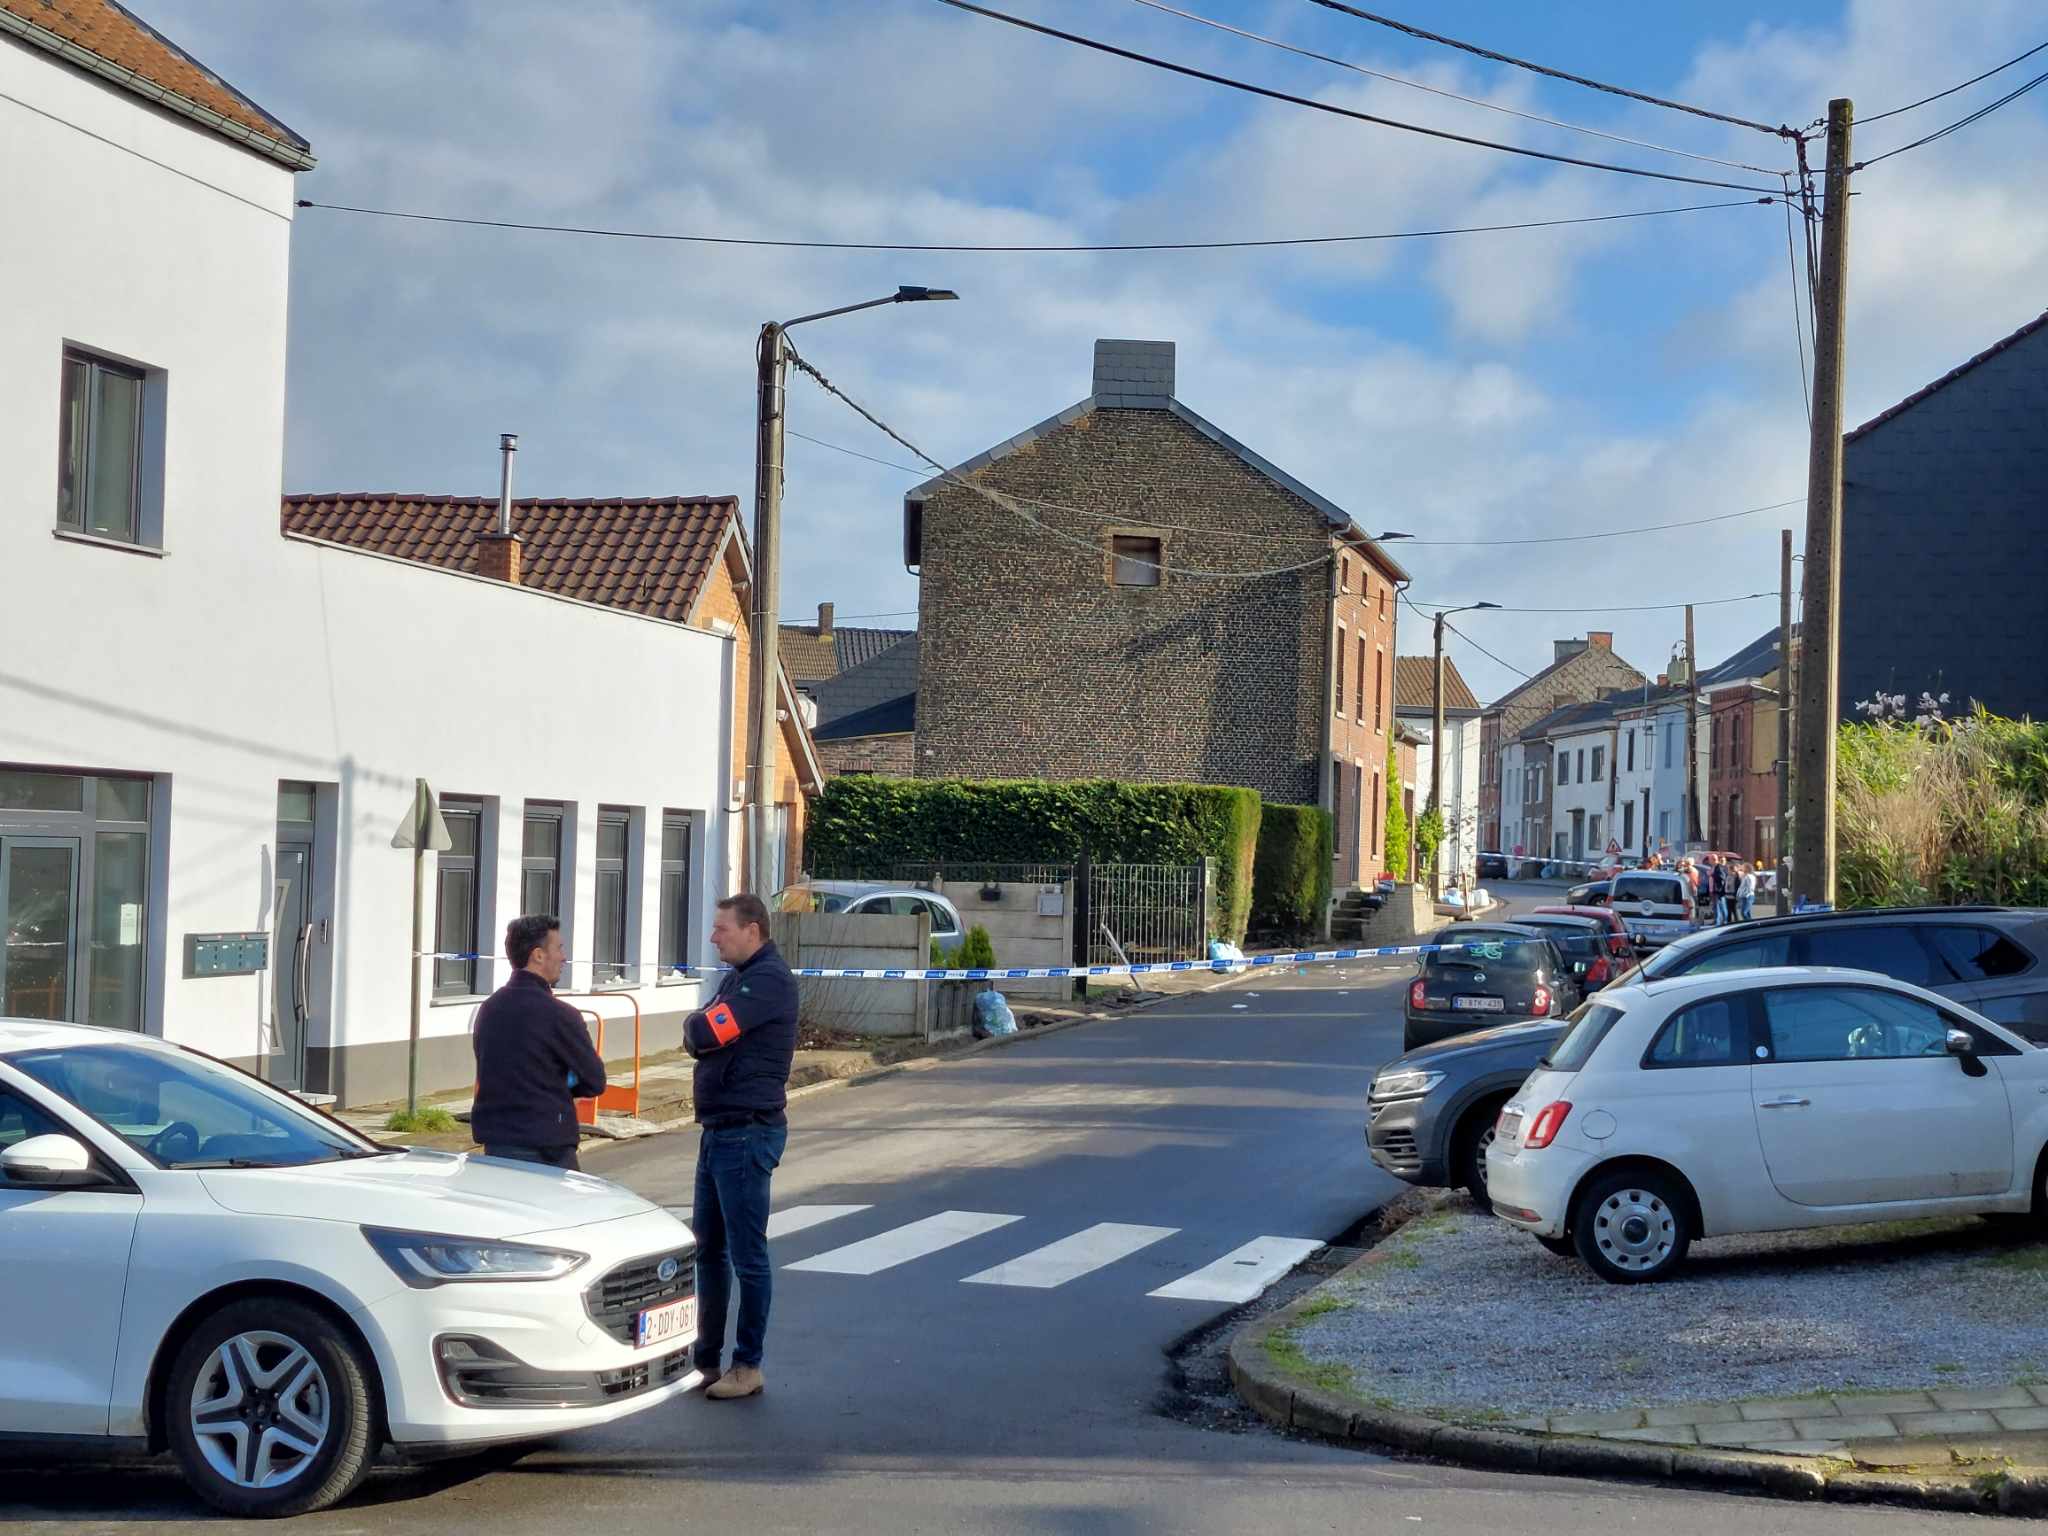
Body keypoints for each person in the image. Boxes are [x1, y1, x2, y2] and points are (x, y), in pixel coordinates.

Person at [686, 894, 799, 1402]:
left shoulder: (767, 981)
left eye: (722, 929)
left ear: (752, 929)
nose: (714, 938)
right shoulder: (739, 977)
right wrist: (700, 1031)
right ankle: (706, 1360)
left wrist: (699, 1030)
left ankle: (747, 1364)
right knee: (708, 1251)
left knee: (747, 1256)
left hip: (747, 1132)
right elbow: (703, 1032)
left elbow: (707, 1028)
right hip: (719, 1129)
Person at [470, 914, 606, 1170]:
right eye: (559, 948)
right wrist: (561, 1081)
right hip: (546, 1148)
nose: (564, 957)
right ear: (538, 955)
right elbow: (594, 1081)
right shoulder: (560, 1015)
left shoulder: (489, 1009)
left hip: (496, 1144)